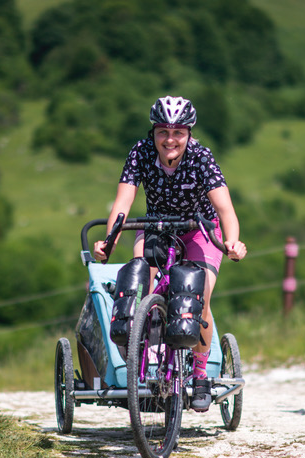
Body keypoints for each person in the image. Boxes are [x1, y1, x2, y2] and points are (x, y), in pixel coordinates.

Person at [94, 96, 247, 412]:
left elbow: (225, 209)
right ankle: (145, 359)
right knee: (137, 287)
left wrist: (232, 242)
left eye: (178, 132)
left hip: (199, 229)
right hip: (155, 225)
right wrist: (108, 241)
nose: (170, 139)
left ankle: (201, 375)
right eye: (163, 131)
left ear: (189, 133)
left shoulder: (201, 158)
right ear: (153, 132)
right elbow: (122, 204)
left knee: (197, 296)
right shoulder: (141, 152)